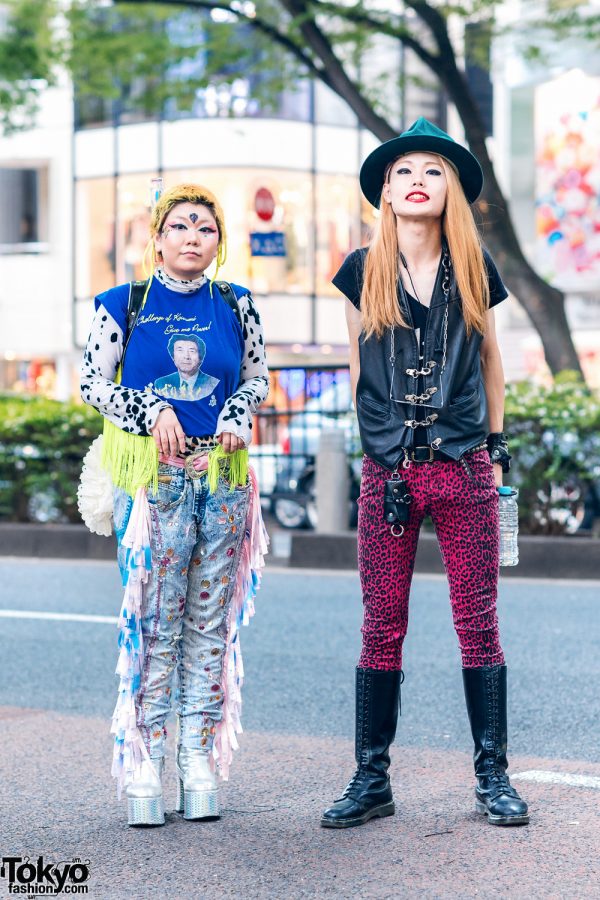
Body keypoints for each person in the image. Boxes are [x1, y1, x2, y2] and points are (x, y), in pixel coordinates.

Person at [321, 118, 528, 829]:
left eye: (433, 171)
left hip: (464, 467)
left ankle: (493, 776)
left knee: (478, 625)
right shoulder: (360, 269)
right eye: (404, 170)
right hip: (389, 476)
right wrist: (375, 448)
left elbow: (493, 362)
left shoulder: (474, 268)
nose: (417, 180)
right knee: (381, 628)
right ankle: (371, 778)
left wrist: (495, 447)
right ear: (385, 188)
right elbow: (357, 366)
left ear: (451, 192)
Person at [80, 183, 269, 827]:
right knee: (153, 620)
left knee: (211, 621)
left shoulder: (236, 304)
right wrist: (150, 409)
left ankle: (197, 758)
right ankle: (144, 761)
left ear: (219, 243)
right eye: (182, 225)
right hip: (150, 482)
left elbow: (254, 376)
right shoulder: (122, 304)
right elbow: (92, 384)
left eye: (207, 228)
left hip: (221, 479)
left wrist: (240, 414)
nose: (194, 236)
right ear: (157, 237)